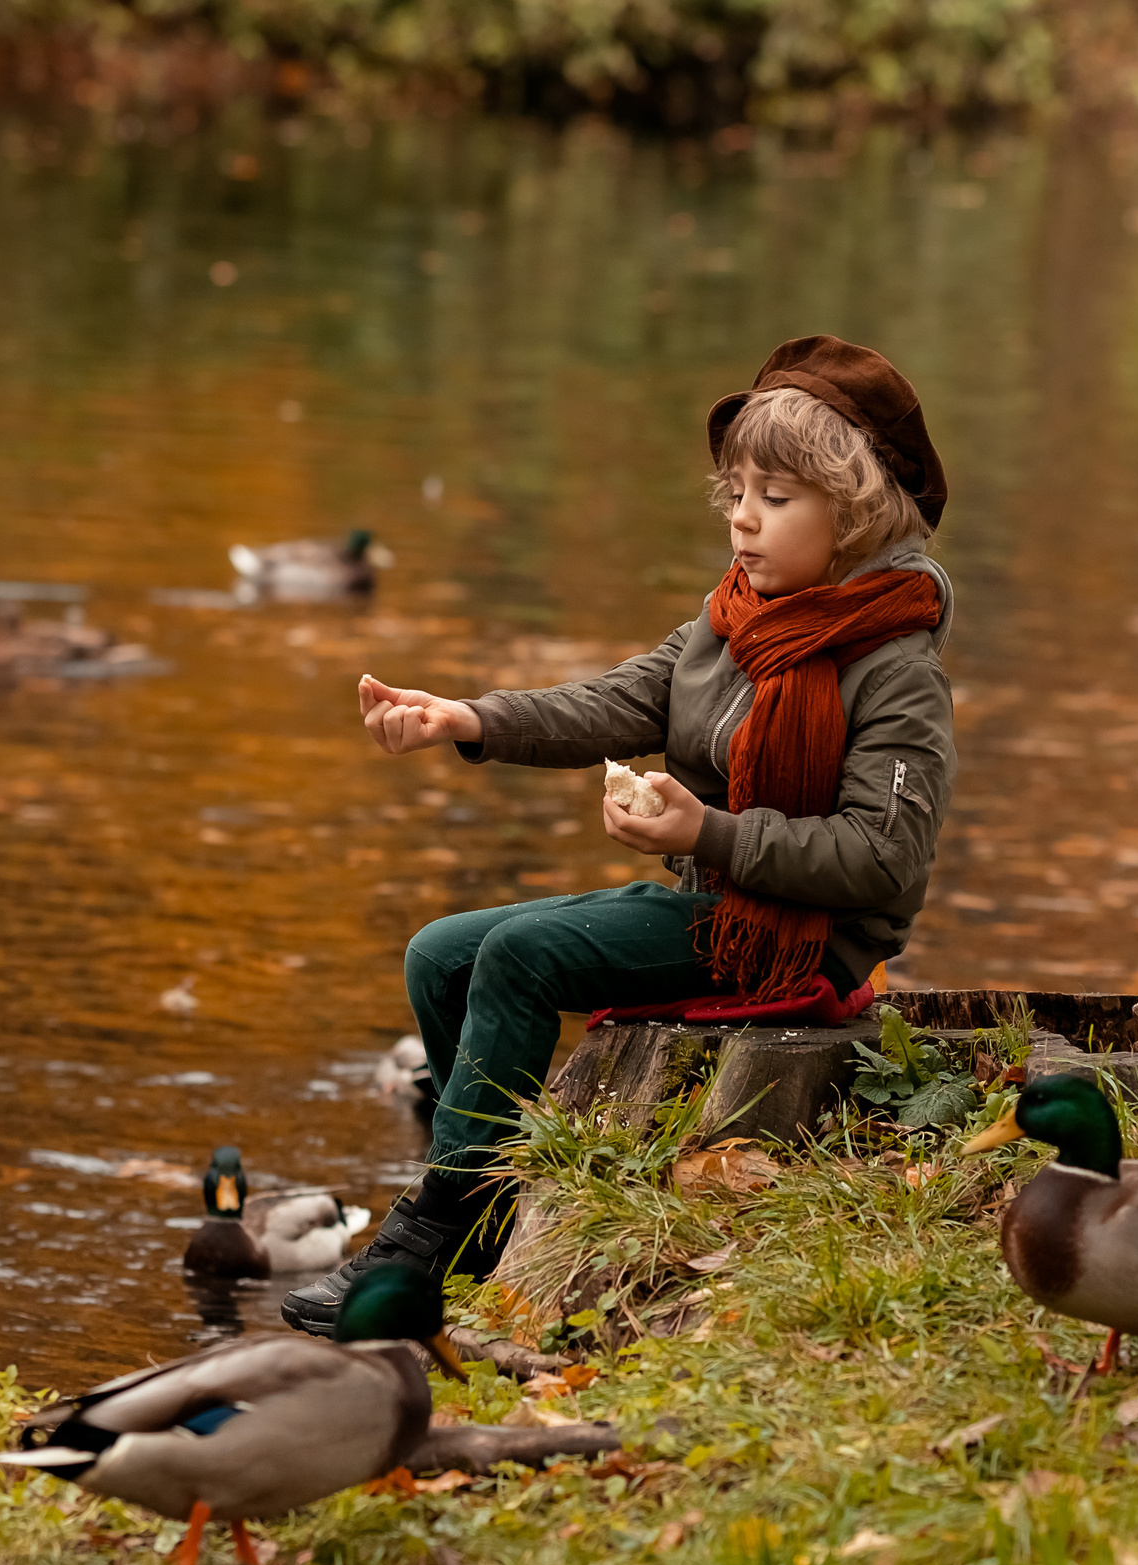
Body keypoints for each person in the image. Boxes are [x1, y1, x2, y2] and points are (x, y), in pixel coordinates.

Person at [280, 335, 959, 1336]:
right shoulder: (735, 619)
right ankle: (482, 1208)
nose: (740, 516)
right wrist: (464, 719)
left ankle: (428, 1245)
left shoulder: (893, 664)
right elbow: (621, 700)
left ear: (855, 510)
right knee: (439, 956)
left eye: (776, 497)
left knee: (517, 956)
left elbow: (884, 857)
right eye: (736, 489)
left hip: (802, 943)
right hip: (713, 908)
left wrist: (711, 830)